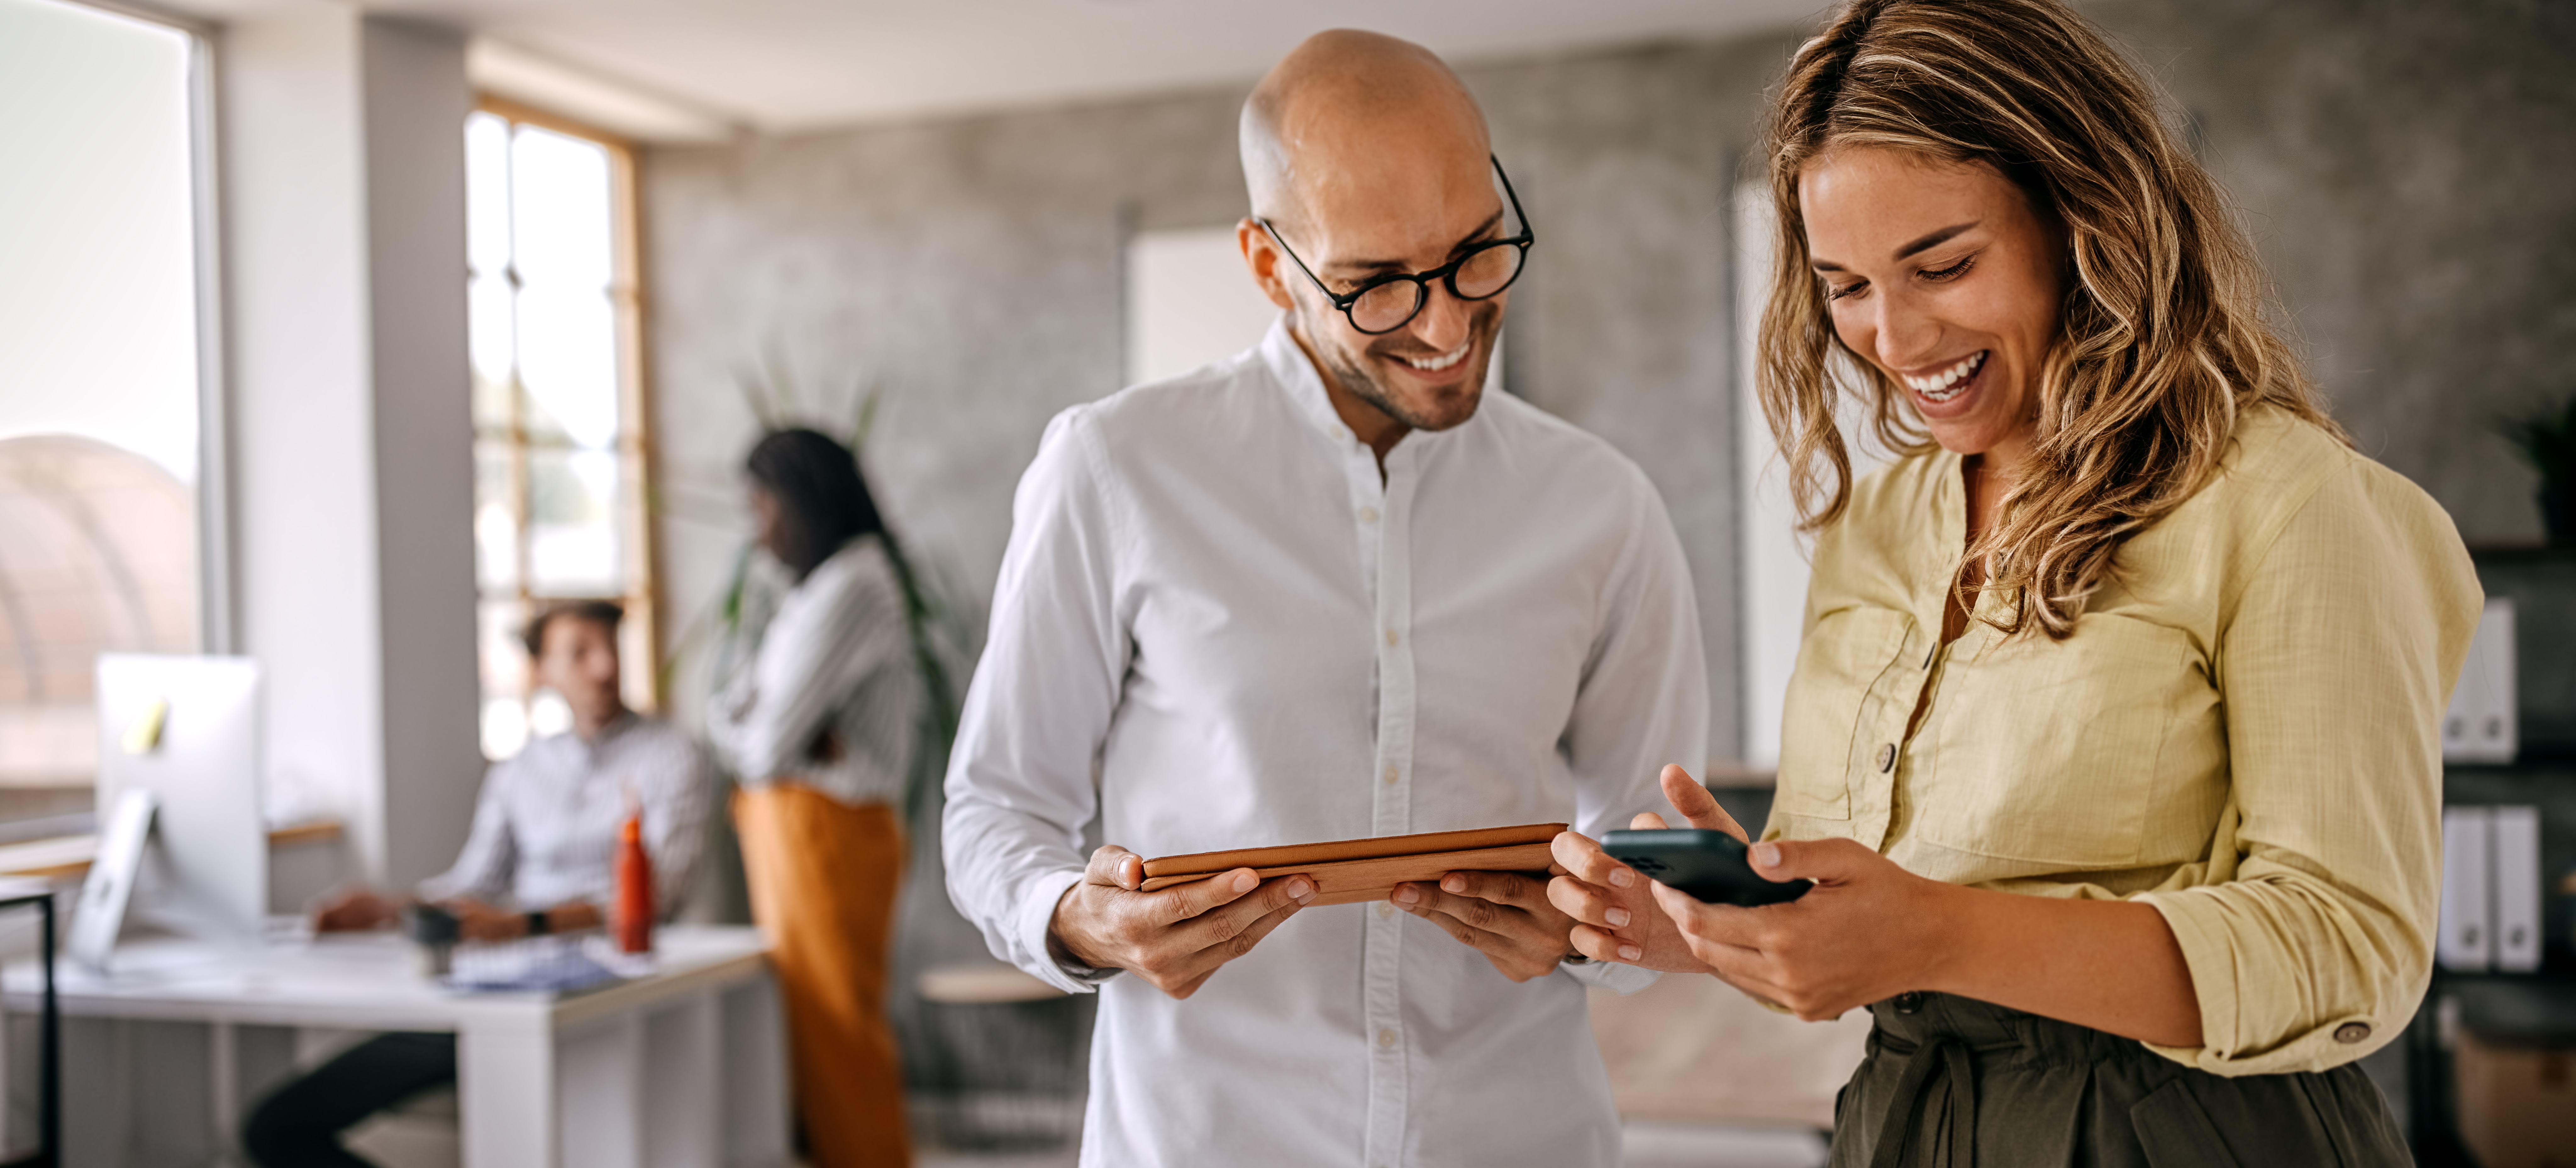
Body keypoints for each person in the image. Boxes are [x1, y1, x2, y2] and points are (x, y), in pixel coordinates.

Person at [1547, 0, 2482, 1163]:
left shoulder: (2287, 502)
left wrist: (1936, 936)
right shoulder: (1876, 521)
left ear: (2083, 219)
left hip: (2189, 1133)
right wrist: (1699, 922)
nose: (1888, 336)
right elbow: (1864, 911)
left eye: (1942, 264)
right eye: (1844, 284)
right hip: (1907, 1120)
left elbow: (2347, 948)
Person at [941, 29, 1709, 1167]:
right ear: (1267, 267)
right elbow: (995, 812)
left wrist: (1595, 923)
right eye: (1375, 286)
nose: (1447, 328)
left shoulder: (1602, 506)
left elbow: (1658, 841)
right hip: (1208, 1139)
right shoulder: (1115, 468)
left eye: (1475, 253)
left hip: (1519, 1134)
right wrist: (1081, 916)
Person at [244, 600, 708, 1168]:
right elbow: (475, 884)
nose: (605, 667)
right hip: (504, 989)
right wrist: (391, 909)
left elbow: (658, 897)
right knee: (275, 1128)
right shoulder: (520, 770)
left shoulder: (673, 755)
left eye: (611, 648)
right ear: (542, 670)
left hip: (610, 991)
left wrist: (523, 924)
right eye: (581, 652)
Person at [707, 427, 923, 1168]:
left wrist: (763, 731)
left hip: (829, 834)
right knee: (816, 1037)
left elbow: (760, 745)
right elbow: (731, 710)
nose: (756, 524)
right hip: (799, 832)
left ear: (801, 500)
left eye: (762, 502)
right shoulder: (814, 590)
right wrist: (766, 728)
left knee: (839, 1037)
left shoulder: (853, 586)